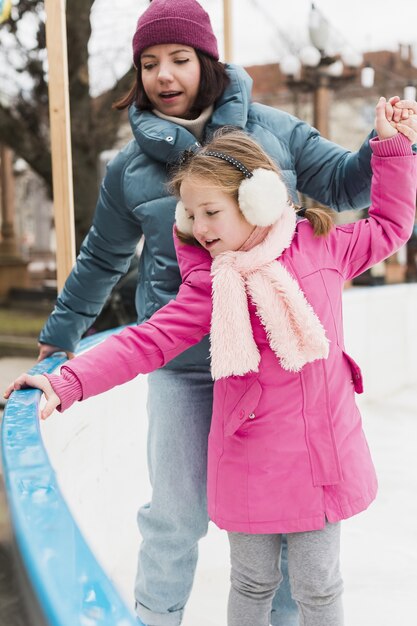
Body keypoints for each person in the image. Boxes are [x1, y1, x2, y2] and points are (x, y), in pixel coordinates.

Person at [24, 0, 412, 623]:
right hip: (182, 361)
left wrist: (385, 146)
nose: (164, 76)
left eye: (179, 59)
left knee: (284, 531)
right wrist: (61, 339)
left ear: (206, 61)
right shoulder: (129, 170)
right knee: (175, 517)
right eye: (149, 64)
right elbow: (102, 259)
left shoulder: (276, 131)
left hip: (270, 370)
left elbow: (348, 188)